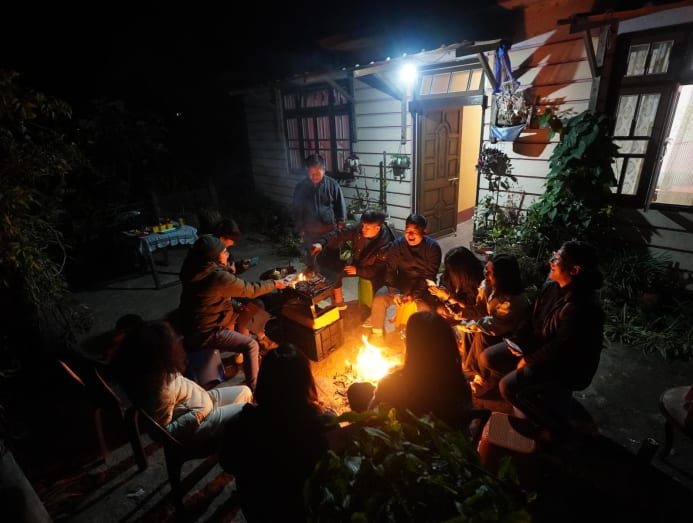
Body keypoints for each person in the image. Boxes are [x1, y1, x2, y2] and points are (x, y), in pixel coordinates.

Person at [477, 240, 605, 434]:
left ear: (574, 270)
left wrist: (528, 360)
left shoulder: (583, 307)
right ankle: (533, 394)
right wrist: (518, 340)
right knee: (488, 358)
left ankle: (552, 427)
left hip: (564, 366)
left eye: (557, 259)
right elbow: (530, 316)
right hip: (538, 347)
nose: (550, 261)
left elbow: (560, 349)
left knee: (507, 387)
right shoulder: (551, 286)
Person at [219, 343, 336, 522]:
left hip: (259, 512)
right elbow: (334, 474)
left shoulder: (241, 424)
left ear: (264, 381)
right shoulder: (322, 427)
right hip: (302, 514)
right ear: (306, 382)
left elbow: (227, 462)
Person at [109, 320, 252, 447]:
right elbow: (164, 432)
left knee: (245, 392)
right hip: (199, 422)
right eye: (171, 343)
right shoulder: (161, 390)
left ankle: (235, 434)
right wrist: (196, 415)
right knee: (246, 410)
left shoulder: (160, 369)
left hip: (201, 401)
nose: (176, 343)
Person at [178, 234, 287, 391]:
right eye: (224, 252)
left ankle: (242, 354)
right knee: (251, 345)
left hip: (196, 322)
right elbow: (250, 290)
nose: (227, 254)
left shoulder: (195, 270)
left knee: (249, 309)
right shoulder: (217, 276)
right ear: (214, 256)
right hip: (206, 331)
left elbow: (210, 299)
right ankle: (255, 388)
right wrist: (275, 283)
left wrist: (236, 305)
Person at [350, 311, 472, 428]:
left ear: (412, 345)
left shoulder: (391, 384)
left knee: (357, 391)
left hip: (407, 440)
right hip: (446, 440)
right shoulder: (460, 382)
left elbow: (373, 415)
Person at [430, 252, 530, 396]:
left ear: (502, 277)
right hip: (493, 325)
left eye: (489, 272)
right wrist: (459, 314)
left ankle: (485, 379)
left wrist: (460, 322)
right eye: (485, 269)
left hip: (511, 334)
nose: (485, 274)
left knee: (481, 334)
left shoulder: (512, 302)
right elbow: (479, 310)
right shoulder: (487, 285)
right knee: (471, 331)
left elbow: (491, 326)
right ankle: (472, 368)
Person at [310, 208, 395, 318]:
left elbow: (376, 270)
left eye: (367, 228)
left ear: (377, 228)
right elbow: (339, 234)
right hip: (359, 261)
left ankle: (370, 314)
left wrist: (358, 270)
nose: (363, 229)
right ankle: (339, 301)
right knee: (336, 265)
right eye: (362, 225)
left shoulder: (386, 244)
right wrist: (321, 243)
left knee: (374, 291)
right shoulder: (360, 228)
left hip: (377, 272)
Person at [369, 214, 442, 339]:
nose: (410, 235)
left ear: (424, 231)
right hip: (400, 286)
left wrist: (414, 295)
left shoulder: (432, 248)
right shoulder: (397, 245)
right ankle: (377, 336)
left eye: (415, 231)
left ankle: (420, 339)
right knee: (379, 300)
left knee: (425, 309)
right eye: (408, 231)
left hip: (423, 289)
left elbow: (429, 276)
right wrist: (394, 292)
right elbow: (390, 271)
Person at [292, 153, 348, 308]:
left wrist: (341, 223)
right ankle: (315, 296)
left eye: (317, 172)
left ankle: (338, 298)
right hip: (310, 232)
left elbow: (340, 206)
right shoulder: (301, 187)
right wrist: (300, 227)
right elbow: (297, 209)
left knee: (333, 266)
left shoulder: (332, 185)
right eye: (310, 173)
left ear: (324, 170)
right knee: (314, 264)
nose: (314, 176)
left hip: (329, 232)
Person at [212, 218, 276, 351]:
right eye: (232, 240)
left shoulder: (221, 252)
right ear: (223, 238)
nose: (232, 244)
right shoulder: (213, 255)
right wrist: (275, 284)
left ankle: (258, 339)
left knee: (257, 304)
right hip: (219, 300)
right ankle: (246, 347)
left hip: (226, 292)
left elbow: (228, 271)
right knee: (250, 306)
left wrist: (240, 266)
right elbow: (246, 288)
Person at [429, 246, 484, 321]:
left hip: (469, 318)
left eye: (451, 269)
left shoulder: (478, 283)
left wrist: (448, 297)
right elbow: (443, 284)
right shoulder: (448, 276)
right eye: (447, 268)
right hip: (454, 313)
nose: (448, 271)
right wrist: (440, 292)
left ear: (461, 270)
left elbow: (473, 310)